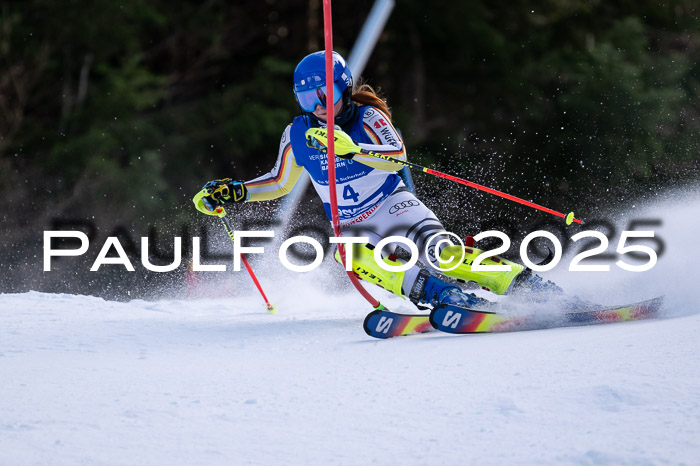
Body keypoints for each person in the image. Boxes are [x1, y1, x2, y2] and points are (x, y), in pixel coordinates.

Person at [194, 50, 560, 309]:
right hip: (351, 222)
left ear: (343, 87)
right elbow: (280, 182)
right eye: (308, 98)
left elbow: (397, 156)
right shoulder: (297, 134)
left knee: (440, 251)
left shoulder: (367, 118)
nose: (319, 105)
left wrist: (352, 149)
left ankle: (527, 286)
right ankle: (439, 295)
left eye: (327, 93)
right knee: (349, 255)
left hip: (392, 204)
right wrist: (236, 192)